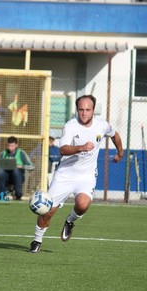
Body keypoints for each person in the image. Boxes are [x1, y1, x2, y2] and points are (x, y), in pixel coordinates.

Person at [29, 94, 123, 253]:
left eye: (88, 109)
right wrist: (81, 147)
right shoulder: (70, 126)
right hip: (65, 175)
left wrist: (120, 152)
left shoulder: (102, 125)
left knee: (83, 204)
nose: (84, 113)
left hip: (86, 176)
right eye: (81, 109)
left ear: (93, 110)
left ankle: (70, 221)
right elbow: (63, 149)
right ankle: (37, 240)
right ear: (77, 110)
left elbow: (115, 135)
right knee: (48, 211)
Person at [0, 136, 34, 200]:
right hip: (6, 176)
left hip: (18, 176)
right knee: (0, 172)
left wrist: (21, 166)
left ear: (16, 145)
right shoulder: (3, 153)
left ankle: (18, 194)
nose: (10, 147)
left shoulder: (21, 153)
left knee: (15, 170)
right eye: (9, 145)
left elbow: (32, 166)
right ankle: (1, 194)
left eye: (12, 146)